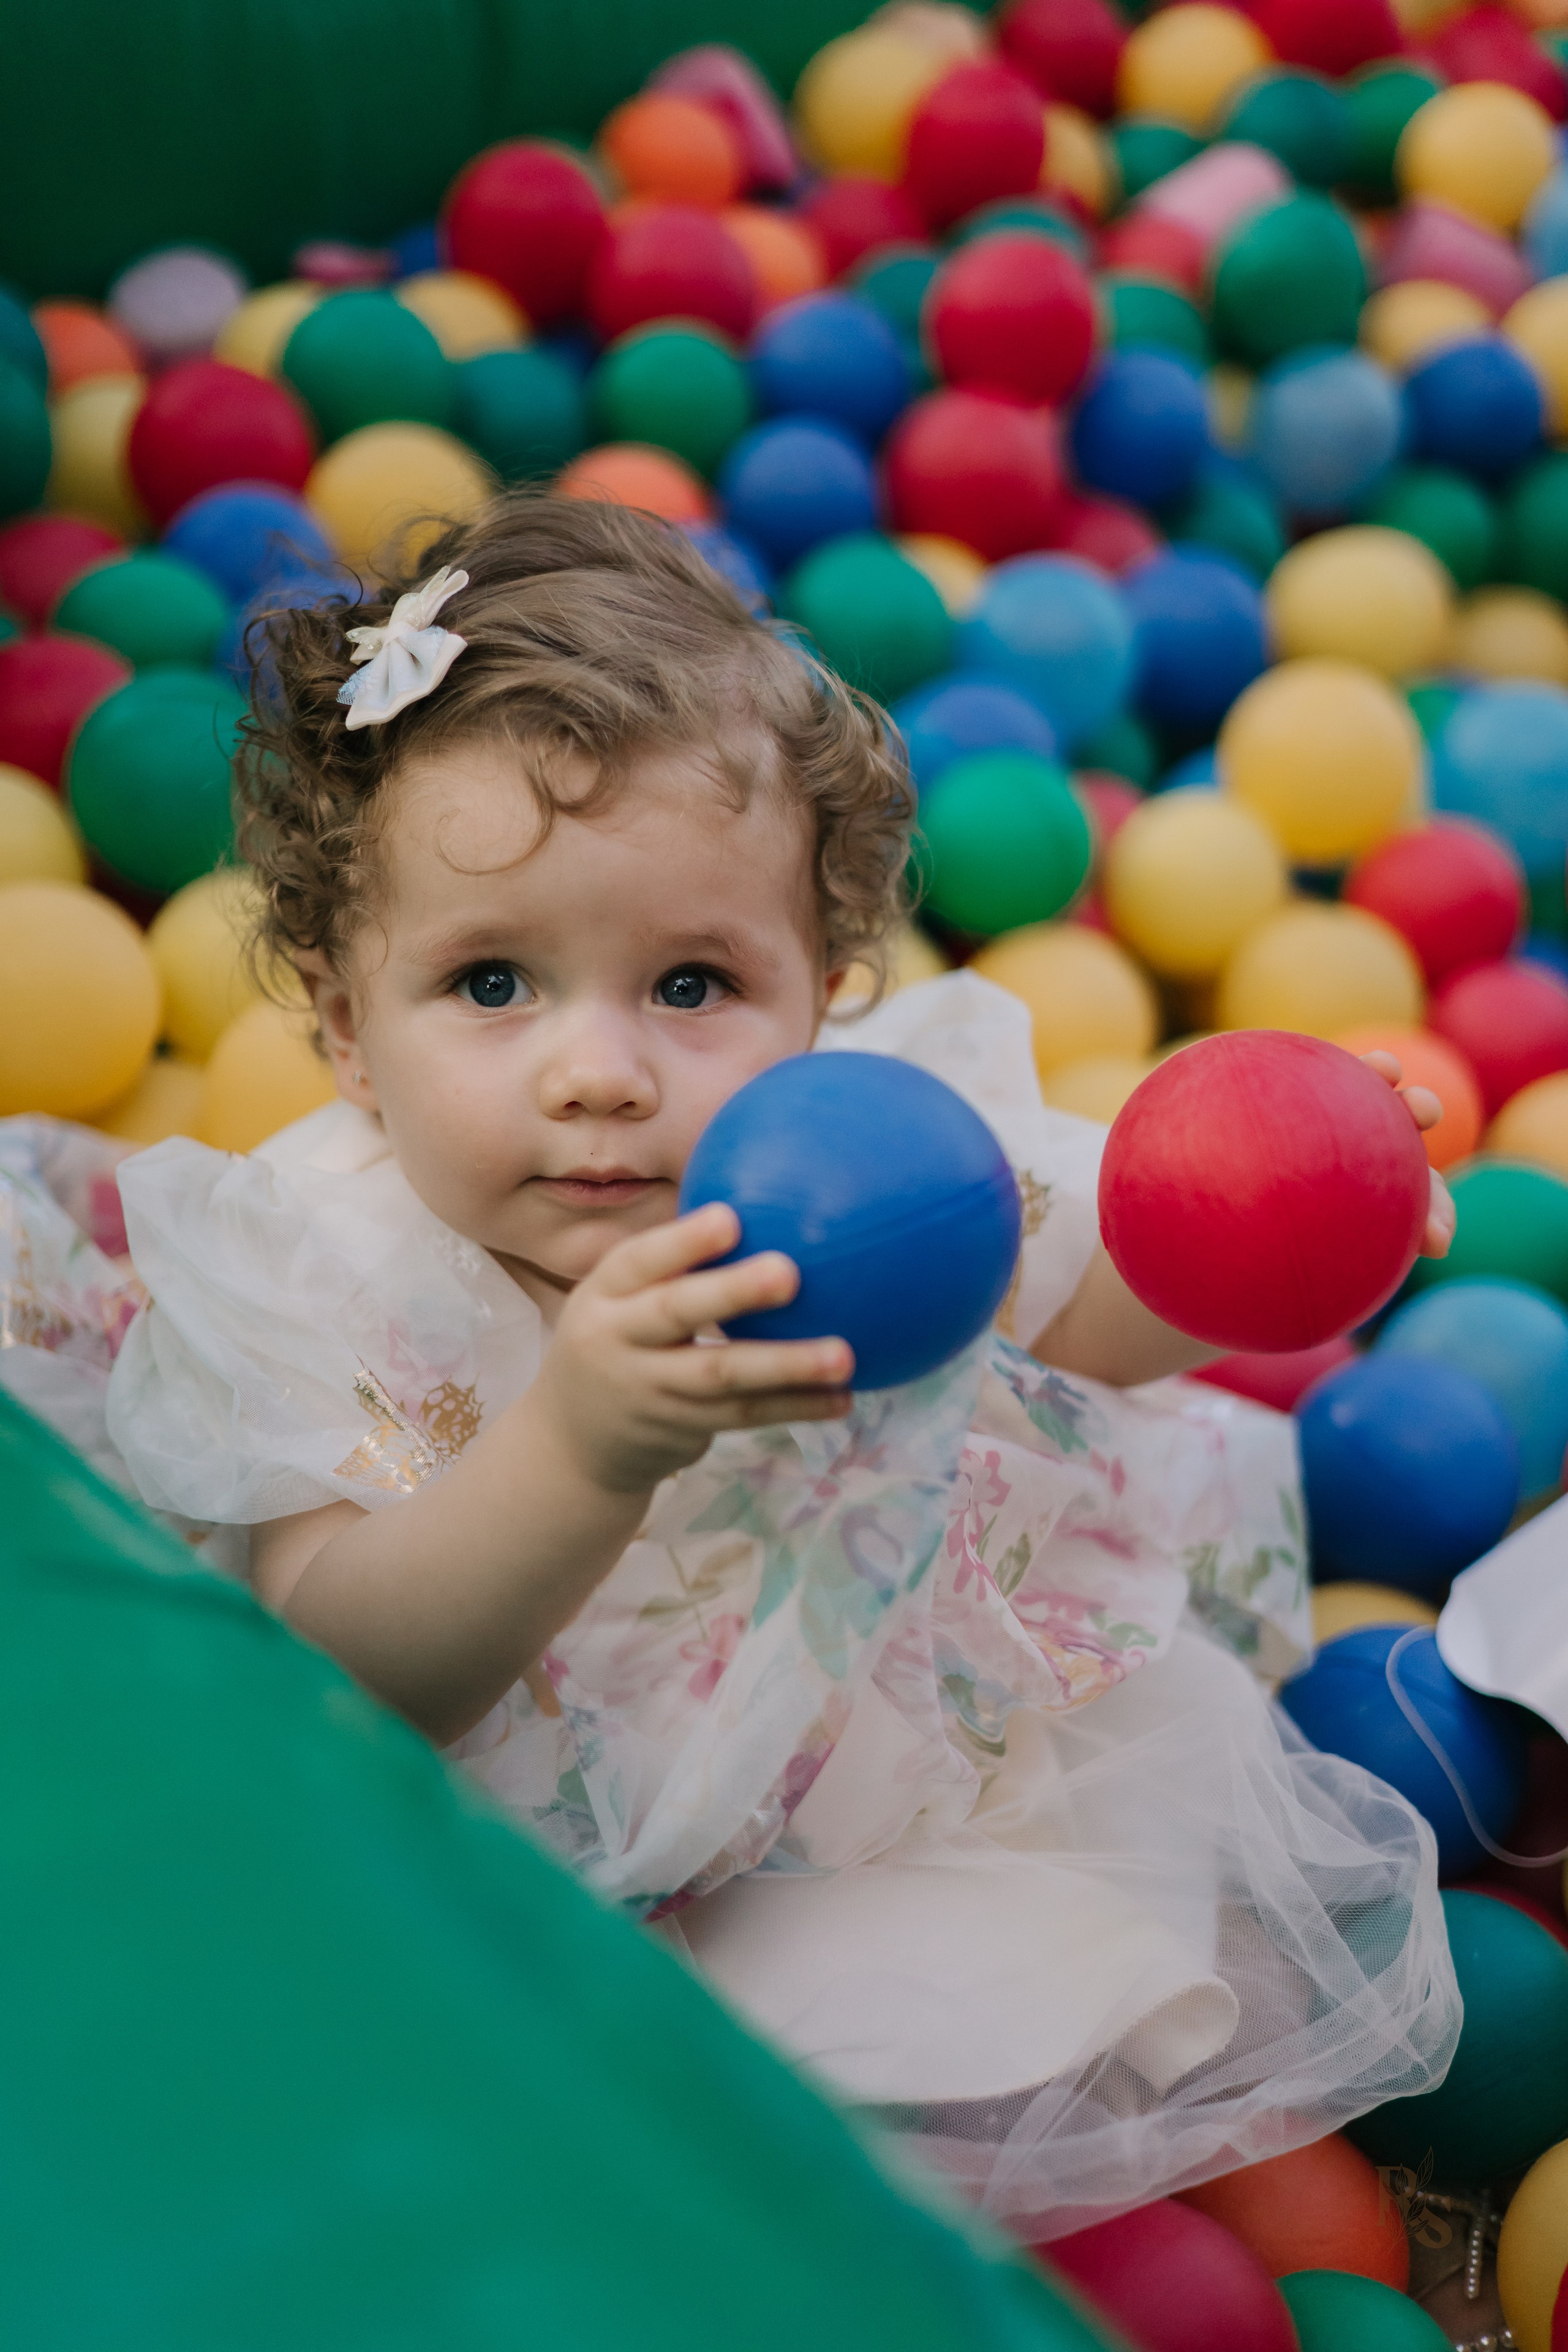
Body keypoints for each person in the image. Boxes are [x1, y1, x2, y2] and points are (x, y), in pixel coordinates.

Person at [0, 494, 1460, 2239]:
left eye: (693, 985)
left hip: (855, 1744)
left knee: (1026, 1996)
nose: (601, 1072)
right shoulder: (316, 1276)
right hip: (524, 1835)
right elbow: (339, 1668)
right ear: (346, 1033)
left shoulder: (870, 1165)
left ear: (821, 999)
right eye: (492, 984)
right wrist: (579, 1449)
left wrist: (1270, 1231)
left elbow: (1080, 1320)